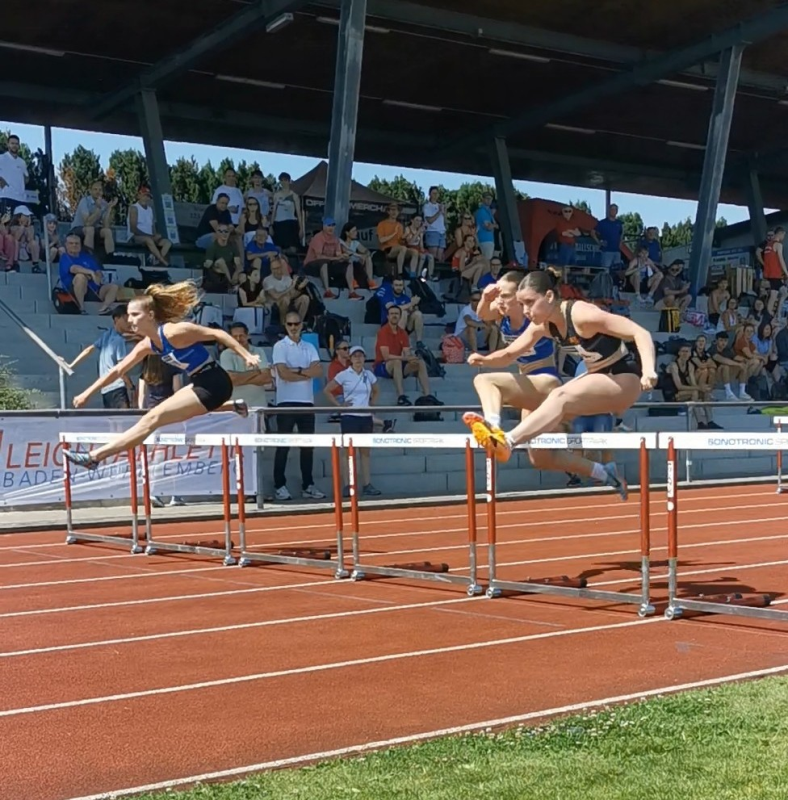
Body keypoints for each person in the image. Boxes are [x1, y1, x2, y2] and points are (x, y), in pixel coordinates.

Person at [464, 270, 658, 500]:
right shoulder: (543, 326)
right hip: (597, 380)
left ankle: (507, 441)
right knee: (540, 454)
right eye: (522, 304)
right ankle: (602, 471)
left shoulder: (581, 314)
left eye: (530, 303)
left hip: (624, 379)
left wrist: (649, 370)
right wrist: (484, 360)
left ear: (548, 296)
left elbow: (640, 332)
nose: (525, 311)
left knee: (560, 396)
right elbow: (509, 354)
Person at [63, 282, 260, 470]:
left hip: (215, 382)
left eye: (134, 315)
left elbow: (218, 334)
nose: (129, 320)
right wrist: (87, 393)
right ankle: (232, 406)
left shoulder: (175, 331)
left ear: (150, 315)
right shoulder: (147, 345)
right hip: (198, 382)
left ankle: (94, 457)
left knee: (153, 418)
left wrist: (247, 355)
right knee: (167, 412)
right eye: (128, 315)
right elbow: (117, 370)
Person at [324, 344, 382, 497]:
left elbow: (377, 390)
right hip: (349, 417)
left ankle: (367, 484)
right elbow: (328, 390)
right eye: (355, 356)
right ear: (350, 358)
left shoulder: (368, 375)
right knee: (347, 452)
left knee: (365, 452)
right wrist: (339, 406)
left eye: (360, 356)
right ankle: (347, 484)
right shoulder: (344, 374)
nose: (358, 359)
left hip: (365, 417)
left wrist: (372, 404)